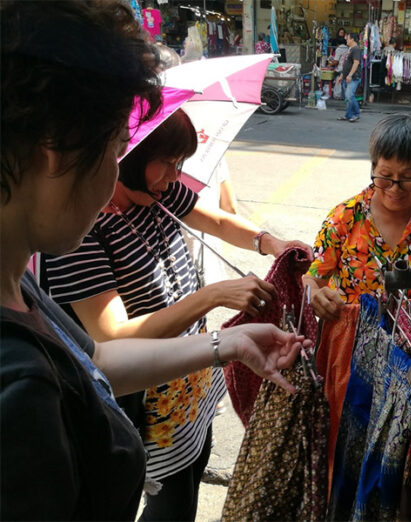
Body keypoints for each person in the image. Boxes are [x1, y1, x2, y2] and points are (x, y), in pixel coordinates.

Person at [0, 1, 308, 520]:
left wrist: (226, 342)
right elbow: (109, 340)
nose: (110, 185)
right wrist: (208, 301)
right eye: (116, 149)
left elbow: (94, 362)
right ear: (53, 151)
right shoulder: (18, 392)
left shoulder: (19, 287)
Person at [41, 108, 310, 520]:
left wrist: (268, 242)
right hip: (145, 389)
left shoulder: (158, 193)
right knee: (169, 499)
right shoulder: (79, 229)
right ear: (126, 154)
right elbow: (111, 334)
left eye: (179, 164)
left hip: (191, 374)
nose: (174, 175)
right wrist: (213, 296)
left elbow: (217, 220)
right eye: (166, 162)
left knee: (193, 468)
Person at [303, 114, 411, 321]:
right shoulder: (345, 217)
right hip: (347, 342)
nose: (395, 188)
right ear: (373, 167)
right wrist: (314, 294)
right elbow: (312, 278)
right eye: (385, 176)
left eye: (408, 178)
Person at [336, 32, 362, 123]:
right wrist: (342, 75)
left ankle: (356, 114)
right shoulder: (350, 49)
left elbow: (356, 63)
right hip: (346, 76)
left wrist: (350, 75)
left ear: (352, 39)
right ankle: (348, 115)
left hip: (353, 77)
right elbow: (346, 64)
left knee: (349, 95)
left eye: (347, 38)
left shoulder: (356, 49)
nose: (346, 40)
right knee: (348, 97)